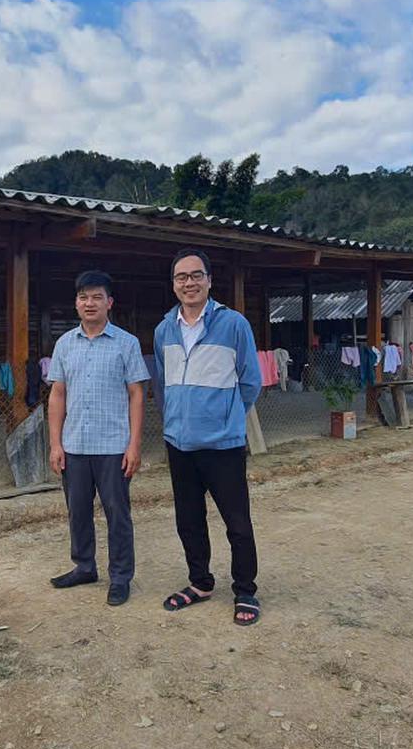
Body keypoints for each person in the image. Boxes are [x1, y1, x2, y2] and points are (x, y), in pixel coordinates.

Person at [153, 249, 265, 626]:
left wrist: (226, 417)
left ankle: (245, 589)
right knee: (189, 519)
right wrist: (175, 419)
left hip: (223, 445)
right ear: (173, 285)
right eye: (181, 277)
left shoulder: (233, 324)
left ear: (209, 280)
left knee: (237, 521)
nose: (189, 283)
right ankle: (200, 582)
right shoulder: (164, 329)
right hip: (179, 444)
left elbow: (250, 381)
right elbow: (162, 384)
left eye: (196, 275)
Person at [46, 270, 152, 606]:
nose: (89, 303)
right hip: (74, 445)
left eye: (96, 297)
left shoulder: (126, 343)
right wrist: (55, 443)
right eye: (83, 297)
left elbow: (136, 394)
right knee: (77, 511)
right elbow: (57, 394)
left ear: (109, 302)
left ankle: (120, 577)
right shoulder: (65, 344)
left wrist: (134, 445)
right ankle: (84, 566)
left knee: (117, 513)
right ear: (76, 303)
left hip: (113, 446)